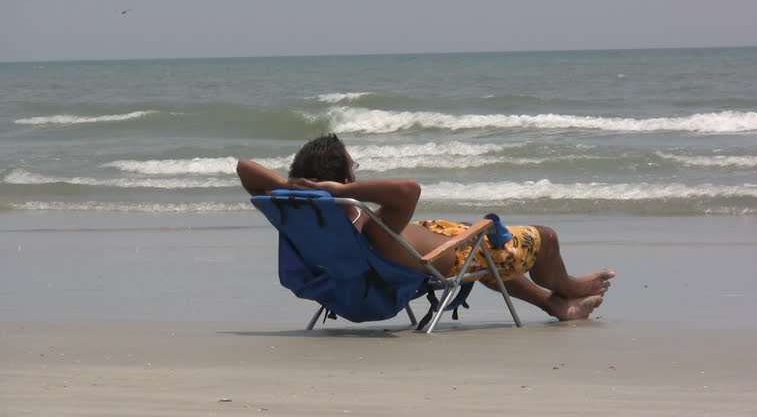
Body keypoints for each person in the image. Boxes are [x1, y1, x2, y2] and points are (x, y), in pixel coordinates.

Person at [236, 134, 614, 321]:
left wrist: (293, 188)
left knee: (473, 242)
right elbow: (408, 190)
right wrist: (342, 191)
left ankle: (554, 305)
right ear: (342, 176)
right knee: (544, 237)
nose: (356, 172)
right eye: (353, 168)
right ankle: (568, 286)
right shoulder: (371, 227)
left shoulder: (308, 220)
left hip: (388, 268)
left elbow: (244, 167)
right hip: (442, 257)